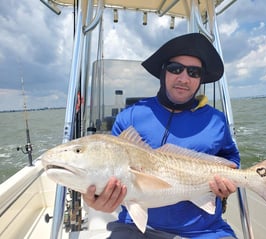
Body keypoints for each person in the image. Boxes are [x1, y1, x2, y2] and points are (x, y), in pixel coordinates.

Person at [83, 33, 240, 239]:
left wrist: (228, 183)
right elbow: (111, 170)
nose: (184, 78)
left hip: (204, 230)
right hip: (135, 227)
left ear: (200, 79)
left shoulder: (217, 120)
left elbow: (231, 159)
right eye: (176, 69)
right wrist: (96, 197)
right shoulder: (129, 117)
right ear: (163, 72)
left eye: (194, 72)